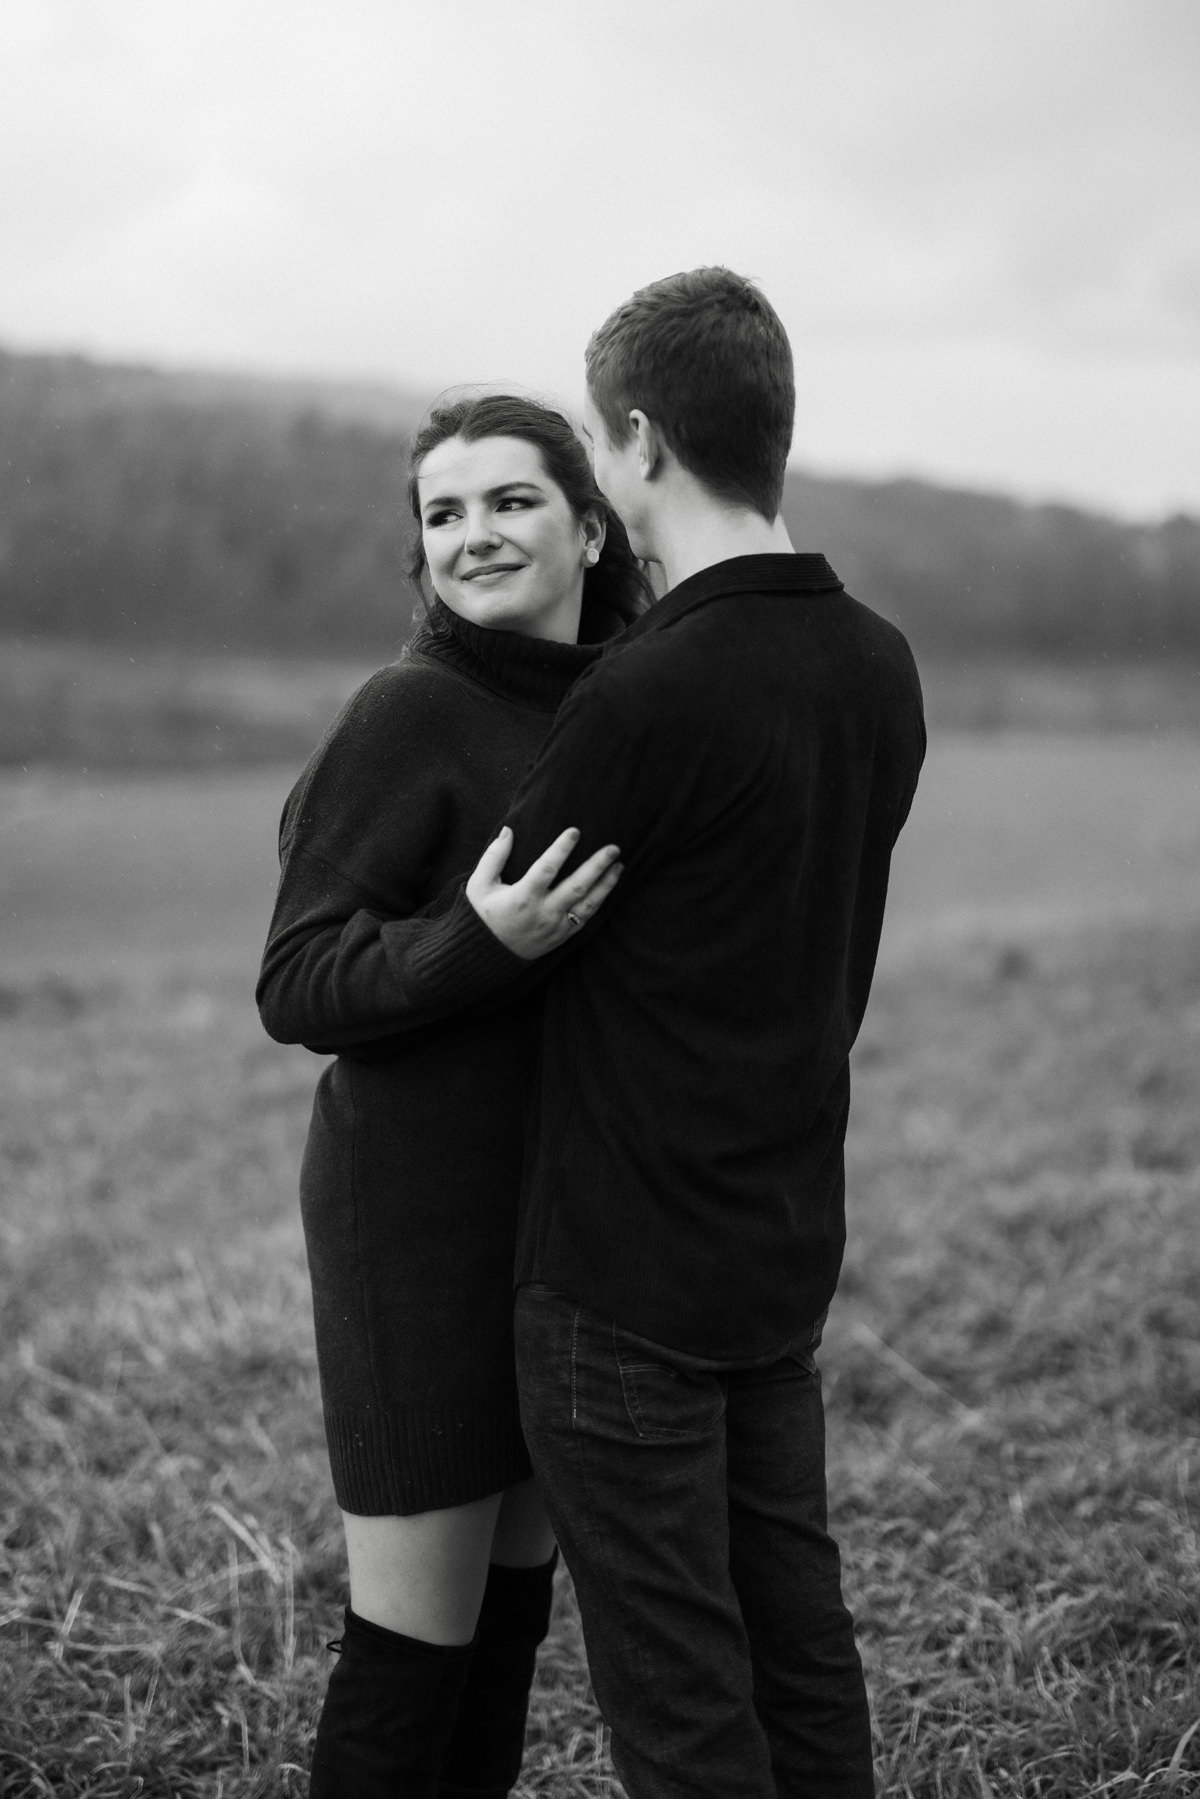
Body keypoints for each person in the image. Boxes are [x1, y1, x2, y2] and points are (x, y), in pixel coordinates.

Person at [438, 268, 928, 1797]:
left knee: (682, 1702)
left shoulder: (646, 691)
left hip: (621, 1278)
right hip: (780, 1250)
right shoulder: (879, 662)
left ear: (641, 442)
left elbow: (506, 929)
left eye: (597, 441)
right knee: (801, 1653)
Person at [255, 393, 645, 1797]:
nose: (472, 534)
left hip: (559, 1227)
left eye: (510, 500)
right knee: (411, 1648)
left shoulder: (623, 708)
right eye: (442, 513)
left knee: (508, 1624)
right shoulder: (410, 711)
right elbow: (297, 979)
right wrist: (477, 940)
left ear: (591, 528)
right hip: (415, 1232)